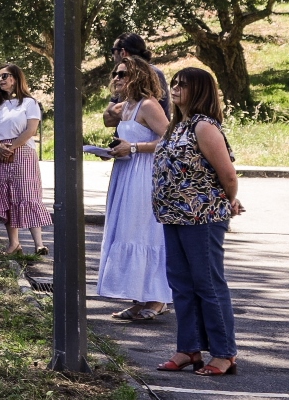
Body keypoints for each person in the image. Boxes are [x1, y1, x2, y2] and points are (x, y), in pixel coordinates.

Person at [154, 66, 243, 378]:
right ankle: (188, 349)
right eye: (174, 83)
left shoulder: (204, 127)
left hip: (201, 217)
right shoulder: (177, 125)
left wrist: (229, 199)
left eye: (183, 85)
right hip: (173, 215)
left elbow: (228, 174)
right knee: (181, 283)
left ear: (200, 90)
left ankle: (224, 353)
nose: (175, 88)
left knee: (207, 284)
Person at [98, 58, 174, 322]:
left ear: (139, 76)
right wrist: (115, 150)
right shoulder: (126, 106)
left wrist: (134, 148)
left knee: (144, 231)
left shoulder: (149, 105)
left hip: (145, 174)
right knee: (126, 229)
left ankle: (157, 298)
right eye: (115, 73)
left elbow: (170, 139)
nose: (117, 78)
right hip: (126, 172)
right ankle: (138, 297)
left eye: (123, 74)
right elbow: (118, 128)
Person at [0, 64, 52, 255]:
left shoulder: (29, 103)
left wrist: (11, 148)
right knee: (6, 196)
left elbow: (31, 130)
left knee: (28, 195)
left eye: (5, 76)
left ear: (15, 78)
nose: (1, 80)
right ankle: (14, 244)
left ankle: (39, 243)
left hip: (22, 151)